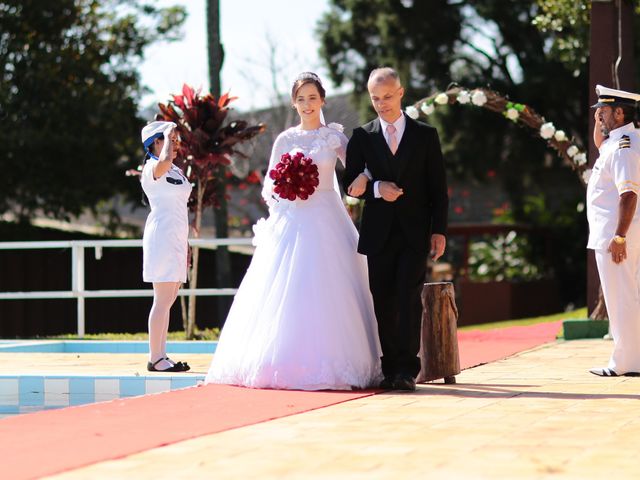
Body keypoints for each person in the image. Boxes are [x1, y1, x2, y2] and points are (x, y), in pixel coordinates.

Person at [205, 72, 382, 390]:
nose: (307, 104)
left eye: (313, 98)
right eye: (301, 99)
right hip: (293, 218)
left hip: (328, 214)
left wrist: (365, 180)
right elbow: (268, 185)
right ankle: (284, 362)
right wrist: (287, 189)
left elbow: (359, 168)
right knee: (288, 287)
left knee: (333, 286)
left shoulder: (335, 138)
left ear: (323, 100)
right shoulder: (285, 139)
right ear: (293, 102)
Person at [343, 67, 449, 391]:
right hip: (377, 235)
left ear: (401, 93)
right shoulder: (362, 137)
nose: (382, 103)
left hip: (415, 232)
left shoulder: (425, 135)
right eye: (375, 98)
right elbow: (349, 185)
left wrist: (439, 230)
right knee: (383, 300)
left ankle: (407, 369)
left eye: (387, 96)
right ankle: (390, 368)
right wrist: (377, 188)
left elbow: (438, 188)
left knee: (408, 297)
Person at [587, 84, 640, 377]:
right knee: (626, 295)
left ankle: (626, 363)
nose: (600, 118)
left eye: (604, 112)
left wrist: (619, 236)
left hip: (618, 236)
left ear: (620, 113)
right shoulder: (622, 140)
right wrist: (600, 124)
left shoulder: (624, 147)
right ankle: (632, 358)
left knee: (622, 298)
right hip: (617, 234)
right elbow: (600, 144)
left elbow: (628, 194)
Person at [140, 121, 192, 372]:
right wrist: (169, 142)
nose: (174, 143)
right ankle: (155, 357)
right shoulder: (153, 167)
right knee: (161, 299)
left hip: (177, 239)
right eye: (167, 139)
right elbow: (163, 162)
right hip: (161, 238)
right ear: (154, 144)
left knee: (168, 299)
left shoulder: (176, 171)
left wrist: (186, 244)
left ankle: (161, 354)